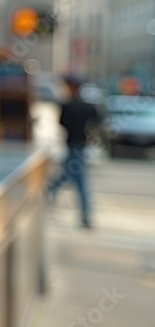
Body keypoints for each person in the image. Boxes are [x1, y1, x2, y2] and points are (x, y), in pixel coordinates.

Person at [46, 77, 101, 228]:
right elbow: (97, 124)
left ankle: (85, 216)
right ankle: (84, 216)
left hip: (75, 146)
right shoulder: (85, 107)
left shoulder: (70, 106)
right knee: (71, 175)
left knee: (74, 177)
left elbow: (62, 123)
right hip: (77, 147)